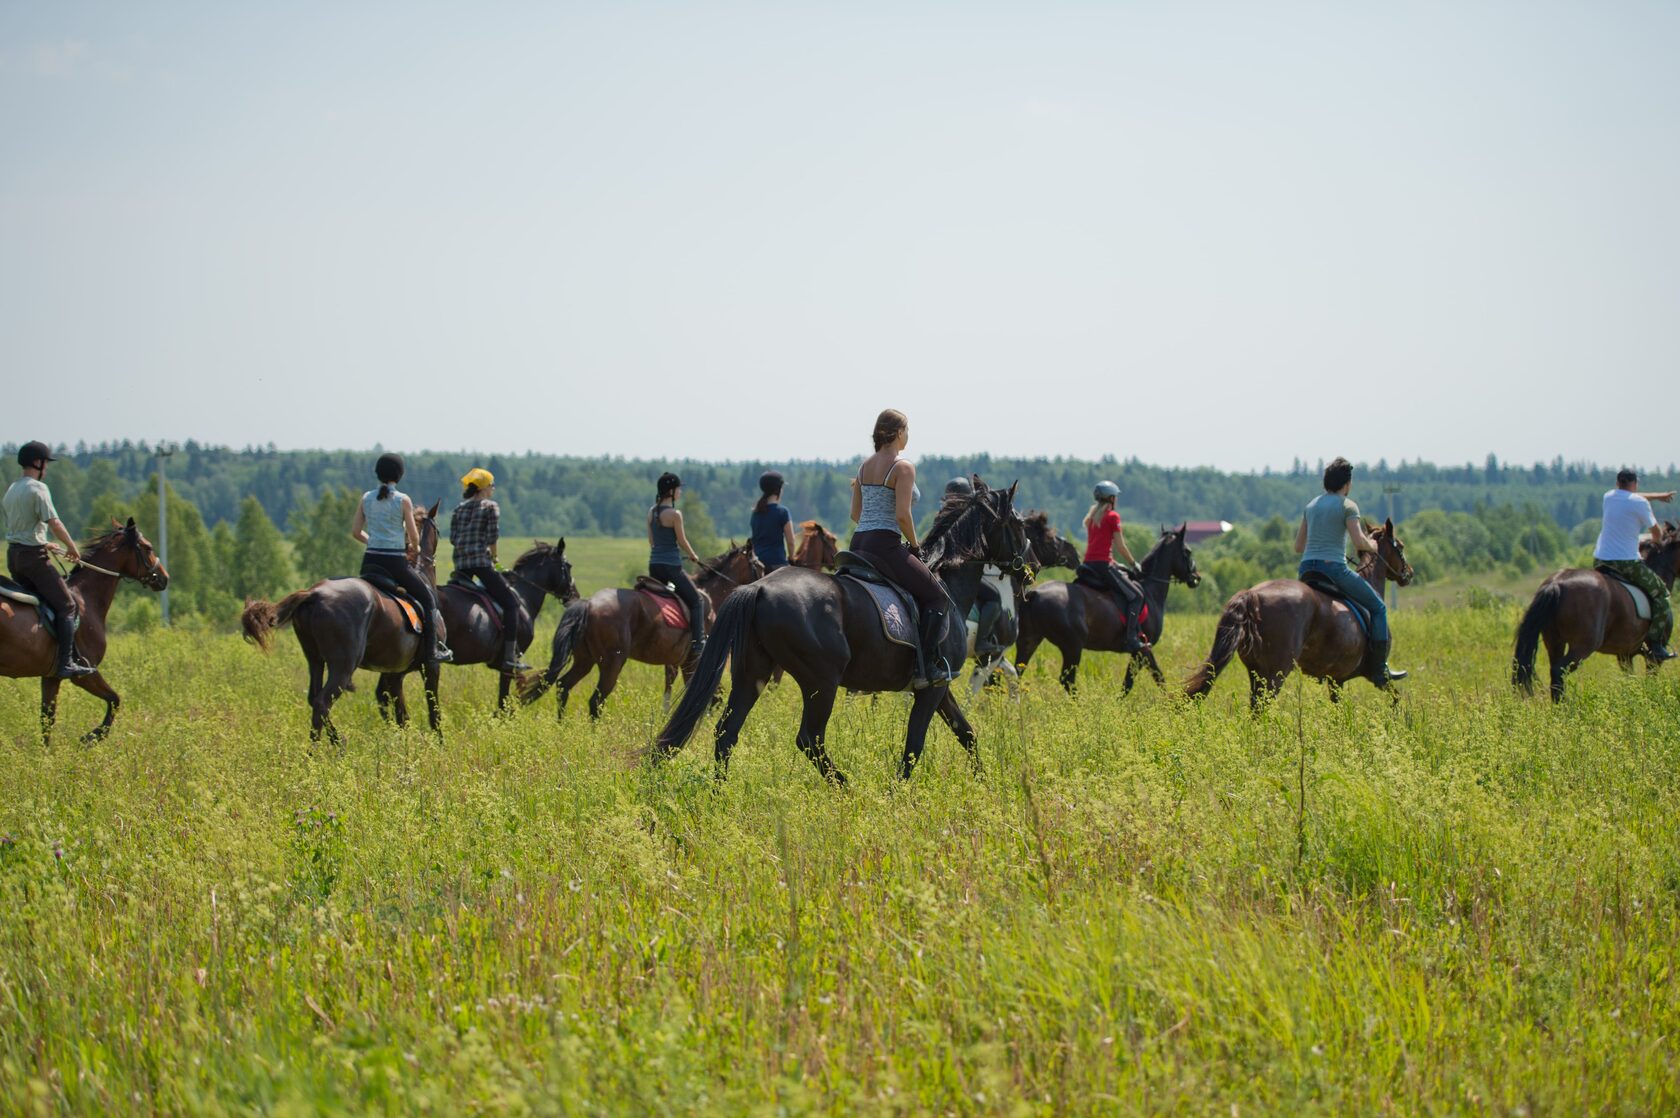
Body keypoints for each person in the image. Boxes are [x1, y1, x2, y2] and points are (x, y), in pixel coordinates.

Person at [848, 409, 953, 687]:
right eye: (907, 430)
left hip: (858, 543)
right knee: (936, 596)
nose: (908, 436)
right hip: (885, 545)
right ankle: (926, 668)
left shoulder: (863, 466)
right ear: (897, 433)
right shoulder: (903, 467)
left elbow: (855, 514)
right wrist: (915, 547)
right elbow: (903, 516)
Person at [1293, 456, 1406, 684]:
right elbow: (1359, 542)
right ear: (1347, 483)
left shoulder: (1311, 506)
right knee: (1378, 607)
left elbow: (1298, 547)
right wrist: (1372, 545)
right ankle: (1379, 669)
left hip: (1307, 571)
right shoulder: (1348, 505)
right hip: (1333, 570)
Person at [4, 440, 96, 677]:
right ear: (38, 463)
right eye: (46, 463)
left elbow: (20, 528)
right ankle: (65, 663)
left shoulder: (12, 489)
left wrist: (44, 542)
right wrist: (72, 547)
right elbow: (54, 522)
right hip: (34, 560)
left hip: (14, 557)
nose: (47, 468)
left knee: (40, 601)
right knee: (67, 605)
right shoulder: (38, 489)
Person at [350, 452, 452, 664]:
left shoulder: (366, 498)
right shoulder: (403, 500)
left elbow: (356, 532)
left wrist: (375, 542)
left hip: (369, 563)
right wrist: (413, 548)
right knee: (428, 599)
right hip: (394, 564)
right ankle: (433, 650)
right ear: (399, 475)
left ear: (377, 473)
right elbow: (414, 536)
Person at [449, 467, 529, 673]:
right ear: (485, 488)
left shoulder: (458, 509)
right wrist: (494, 558)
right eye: (492, 485)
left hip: (460, 566)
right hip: (481, 564)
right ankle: (510, 656)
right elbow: (492, 538)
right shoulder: (490, 507)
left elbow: (452, 539)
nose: (494, 488)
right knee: (511, 604)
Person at [1593, 467, 1676, 661]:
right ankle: (1655, 644)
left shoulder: (1609, 496)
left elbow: (1630, 496)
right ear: (1635, 483)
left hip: (1601, 559)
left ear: (1617, 483)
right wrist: (1657, 541)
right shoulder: (1639, 503)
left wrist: (1658, 496)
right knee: (1662, 595)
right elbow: (1655, 532)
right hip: (1626, 563)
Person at [1079, 480, 1149, 652]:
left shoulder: (1091, 518)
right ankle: (1131, 638)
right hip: (1103, 566)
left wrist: (1116, 563)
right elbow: (1121, 545)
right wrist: (1133, 563)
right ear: (1110, 498)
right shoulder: (1112, 517)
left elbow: (1097, 546)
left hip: (1089, 564)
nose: (1116, 499)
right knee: (1136, 596)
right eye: (1115, 496)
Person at [649, 472, 708, 657]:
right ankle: (699, 642)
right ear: (671, 491)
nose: (680, 492)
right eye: (678, 489)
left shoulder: (651, 512)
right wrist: (693, 555)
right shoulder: (675, 514)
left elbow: (652, 542)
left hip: (654, 566)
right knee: (697, 601)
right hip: (671, 567)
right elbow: (682, 541)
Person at [945, 476, 1005, 656]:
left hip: (940, 571)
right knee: (994, 597)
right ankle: (982, 641)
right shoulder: (967, 519)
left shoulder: (942, 514)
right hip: (960, 575)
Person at [750, 470, 796, 572]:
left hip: (757, 565)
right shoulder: (783, 512)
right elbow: (791, 542)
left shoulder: (755, 512)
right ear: (778, 489)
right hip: (777, 564)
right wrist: (792, 558)